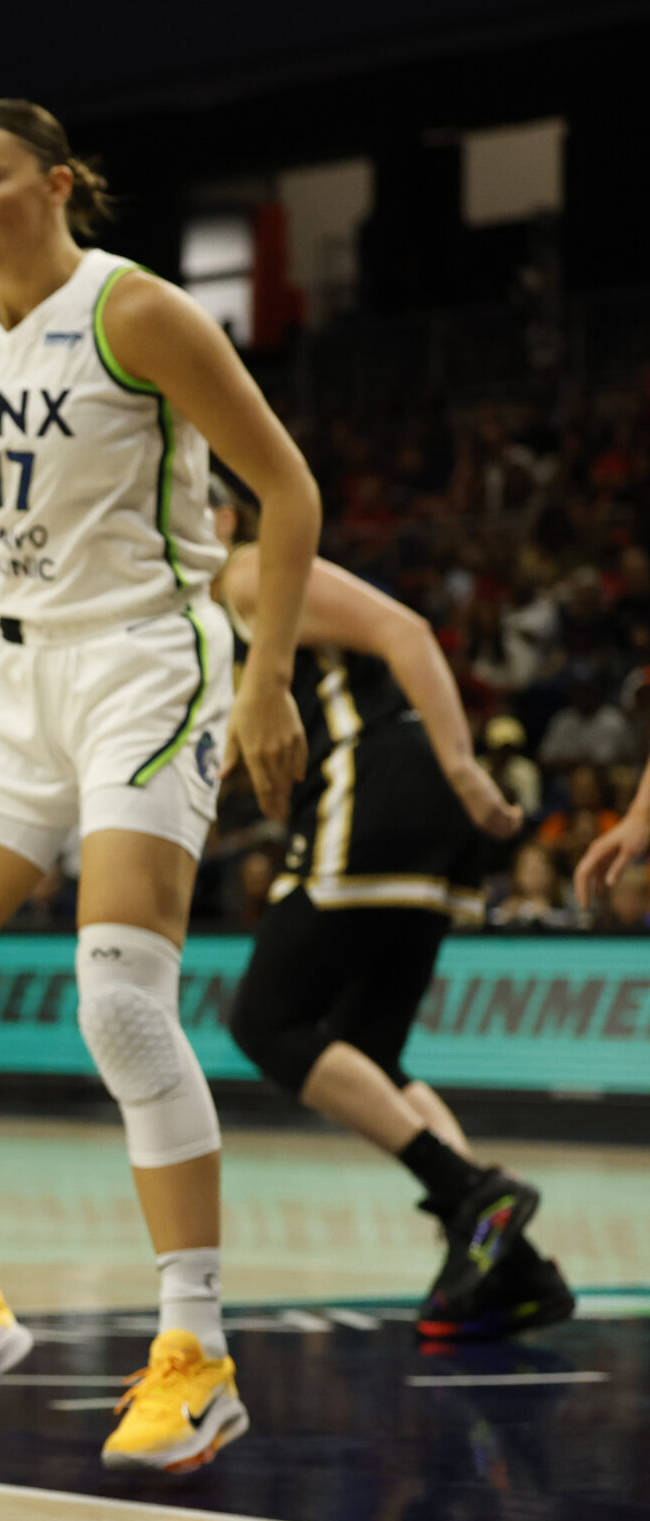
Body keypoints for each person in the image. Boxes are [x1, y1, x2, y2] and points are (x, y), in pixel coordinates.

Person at [0, 98, 316, 1472]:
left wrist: (270, 676)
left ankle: (197, 1349)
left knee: (116, 1000)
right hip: (13, 674)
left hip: (144, 662)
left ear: (58, 184)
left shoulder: (142, 314)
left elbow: (285, 492)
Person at [212, 490, 571, 1338]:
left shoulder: (242, 573)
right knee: (367, 1049)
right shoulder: (208, 614)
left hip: (380, 783)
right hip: (405, 804)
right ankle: (509, 1266)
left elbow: (404, 630)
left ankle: (474, 1193)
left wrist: (463, 762)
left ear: (220, 515)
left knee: (268, 1022)